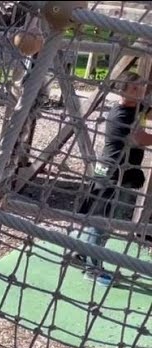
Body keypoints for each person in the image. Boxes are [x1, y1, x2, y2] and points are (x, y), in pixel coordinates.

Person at [67, 69, 152, 285]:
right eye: (135, 88)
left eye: (142, 87)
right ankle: (92, 270)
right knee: (102, 222)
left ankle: (81, 254)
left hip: (123, 173)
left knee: (102, 218)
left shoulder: (138, 107)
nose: (140, 91)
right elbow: (140, 138)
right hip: (111, 174)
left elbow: (147, 113)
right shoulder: (120, 115)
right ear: (122, 92)